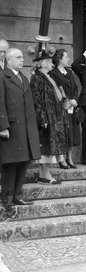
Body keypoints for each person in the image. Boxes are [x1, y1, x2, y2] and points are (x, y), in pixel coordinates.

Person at [0, 48, 41, 210]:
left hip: (26, 129)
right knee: (10, 164)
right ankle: (6, 198)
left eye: (22, 57)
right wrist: (2, 126)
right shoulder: (2, 76)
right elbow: (0, 103)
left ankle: (17, 196)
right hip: (11, 129)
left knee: (23, 163)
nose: (21, 60)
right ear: (8, 60)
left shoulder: (24, 78)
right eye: (18, 57)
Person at [30, 50, 69, 185]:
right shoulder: (37, 77)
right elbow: (37, 100)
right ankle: (45, 175)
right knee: (46, 148)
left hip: (54, 117)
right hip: (46, 118)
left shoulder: (49, 76)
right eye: (48, 61)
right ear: (42, 63)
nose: (51, 63)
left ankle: (44, 175)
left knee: (50, 148)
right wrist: (42, 119)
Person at [50, 49, 81, 169]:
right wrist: (67, 100)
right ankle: (62, 159)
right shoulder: (53, 73)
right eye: (66, 57)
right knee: (64, 134)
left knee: (72, 133)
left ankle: (70, 158)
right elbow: (56, 89)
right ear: (59, 59)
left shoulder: (69, 72)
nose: (68, 59)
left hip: (72, 107)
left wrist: (74, 100)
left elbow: (75, 88)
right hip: (62, 108)